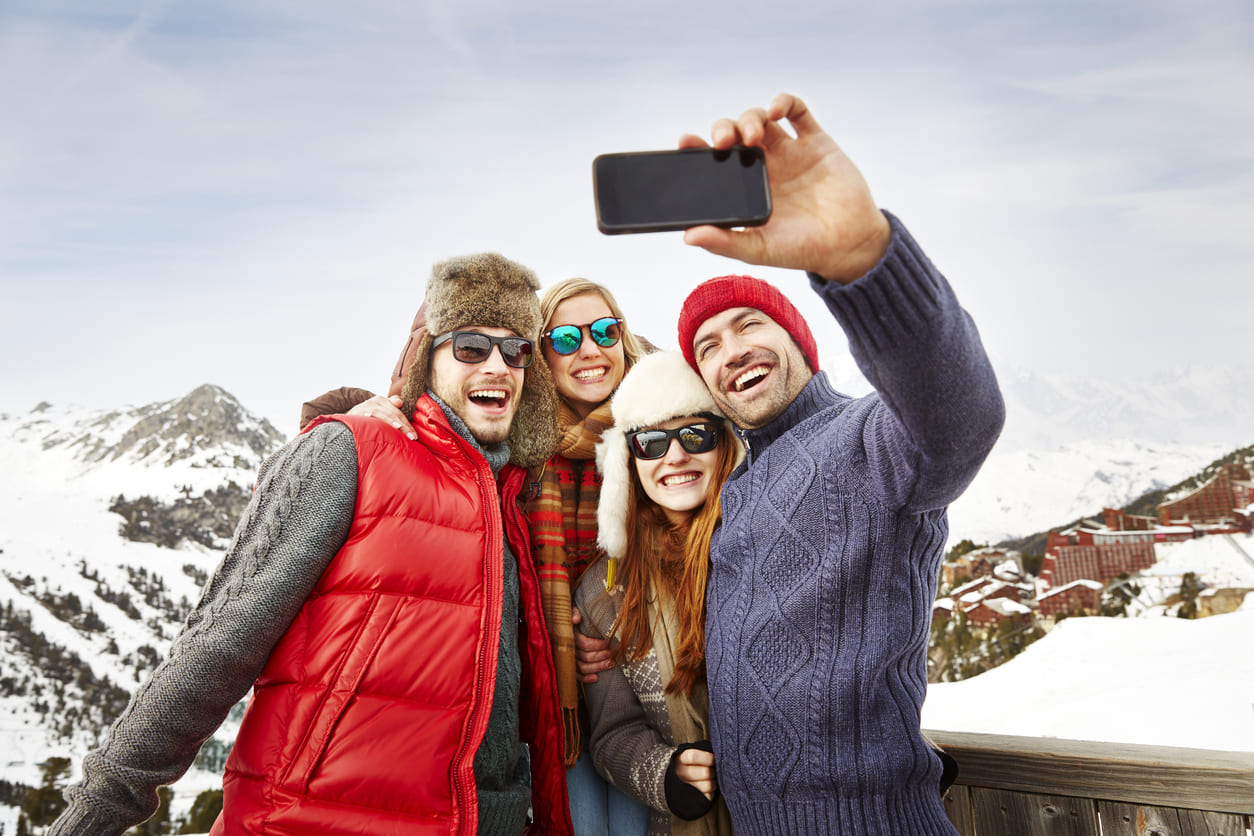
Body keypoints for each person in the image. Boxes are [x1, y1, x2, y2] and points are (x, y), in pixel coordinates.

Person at [50, 253, 573, 835]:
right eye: (472, 347)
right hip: (312, 820)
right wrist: (94, 814)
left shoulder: (516, 500)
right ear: (427, 357)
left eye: (516, 349)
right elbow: (216, 647)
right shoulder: (349, 453)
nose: (497, 365)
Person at [671, 93, 1005, 833]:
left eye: (748, 325)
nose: (732, 353)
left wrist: (864, 260)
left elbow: (961, 416)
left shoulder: (866, 441)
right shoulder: (733, 489)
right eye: (708, 348)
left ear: (800, 342)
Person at [301, 278, 652, 835]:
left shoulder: (659, 431)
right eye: (563, 339)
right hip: (548, 703)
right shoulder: (518, 441)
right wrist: (357, 412)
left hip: (642, 694)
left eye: (606, 331)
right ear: (540, 358)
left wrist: (617, 626)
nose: (589, 350)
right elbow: (420, 420)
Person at [573, 350, 740, 836]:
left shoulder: (768, 553)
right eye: (650, 442)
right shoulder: (606, 590)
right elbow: (613, 732)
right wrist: (662, 772)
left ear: (724, 443)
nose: (675, 456)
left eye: (695, 435)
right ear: (629, 464)